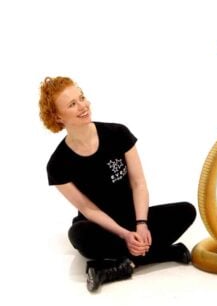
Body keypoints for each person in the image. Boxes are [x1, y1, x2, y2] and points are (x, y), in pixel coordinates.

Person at [39, 76, 196, 292]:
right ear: (58, 116)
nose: (83, 106)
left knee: (186, 211)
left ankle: (113, 267)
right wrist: (124, 234)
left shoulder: (118, 134)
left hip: (134, 218)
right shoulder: (58, 164)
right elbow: (88, 209)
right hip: (101, 228)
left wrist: (142, 224)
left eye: (82, 98)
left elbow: (139, 183)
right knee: (78, 235)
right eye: (72, 104)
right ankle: (163, 253)